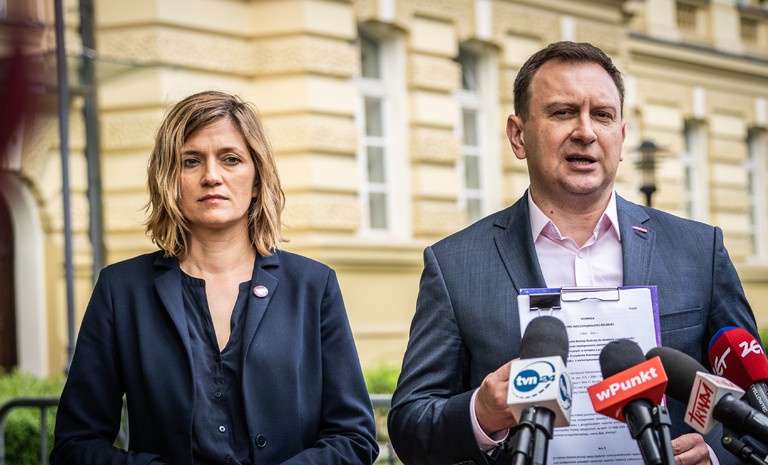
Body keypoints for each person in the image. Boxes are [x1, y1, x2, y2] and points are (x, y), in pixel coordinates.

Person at [387, 41, 760, 465]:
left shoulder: (698, 251)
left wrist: (713, 455)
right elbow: (409, 425)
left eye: (602, 115)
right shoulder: (456, 265)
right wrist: (481, 413)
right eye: (563, 112)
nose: (585, 131)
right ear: (518, 135)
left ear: (621, 136)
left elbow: (756, 406)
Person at [51, 90, 379, 465]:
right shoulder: (121, 291)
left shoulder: (313, 286)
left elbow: (354, 437)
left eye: (230, 159)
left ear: (256, 180)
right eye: (191, 161)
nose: (211, 176)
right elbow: (75, 445)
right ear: (170, 179)